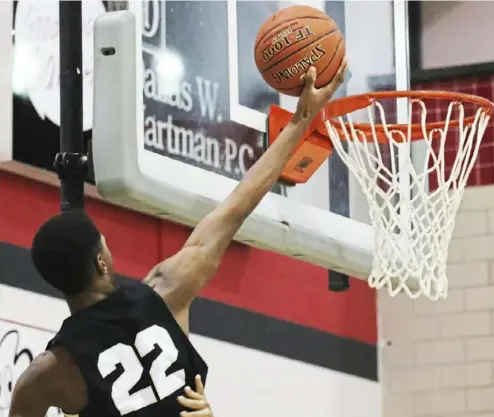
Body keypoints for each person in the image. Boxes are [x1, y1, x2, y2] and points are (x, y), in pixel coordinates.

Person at [9, 60, 348, 417]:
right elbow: (235, 208)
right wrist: (299, 122)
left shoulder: (47, 373)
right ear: (100, 261)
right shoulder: (165, 292)